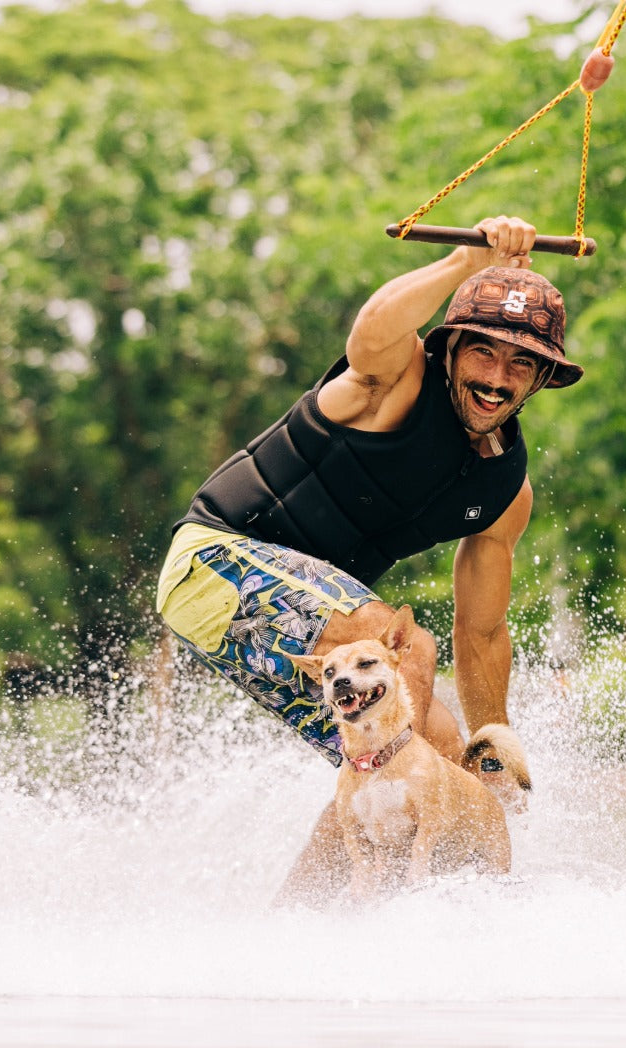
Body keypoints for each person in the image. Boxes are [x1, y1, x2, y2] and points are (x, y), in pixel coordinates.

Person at [156, 215, 583, 812]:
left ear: (540, 379)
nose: (495, 378)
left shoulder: (507, 493)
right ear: (449, 348)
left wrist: (491, 765)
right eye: (482, 352)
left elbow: (482, 635)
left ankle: (336, 903)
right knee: (407, 650)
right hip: (212, 562)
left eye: (519, 365)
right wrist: (465, 263)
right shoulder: (394, 380)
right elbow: (373, 328)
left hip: (294, 628)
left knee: (432, 753)